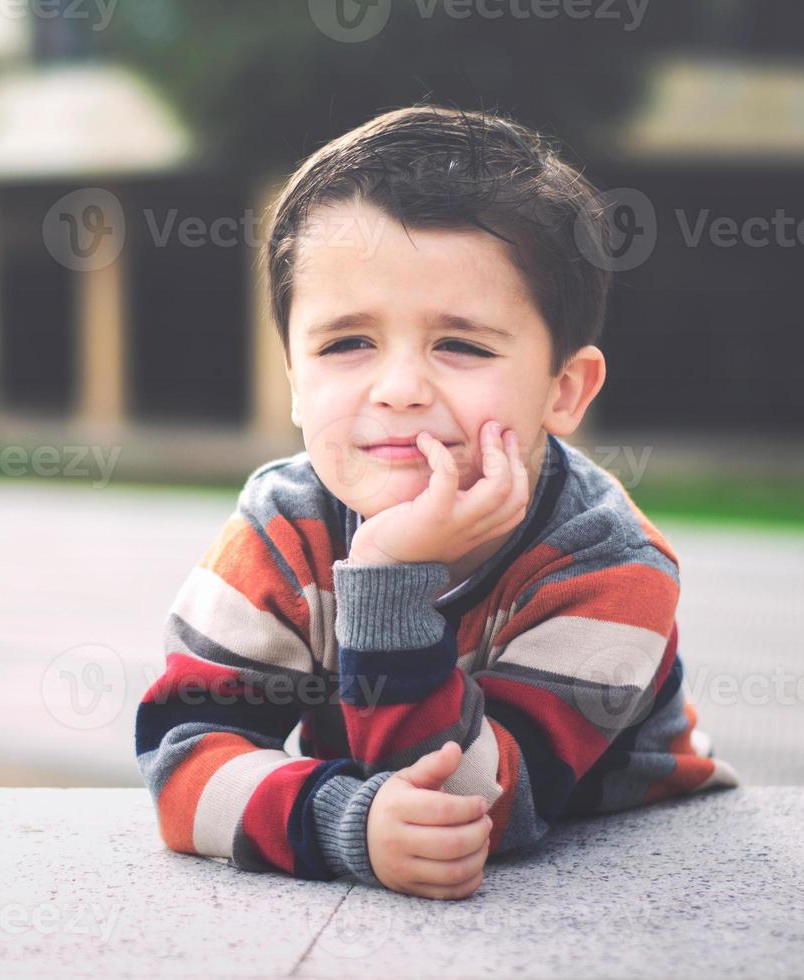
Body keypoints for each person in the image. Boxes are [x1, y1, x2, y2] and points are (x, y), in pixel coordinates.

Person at [133, 105, 739, 901]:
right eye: (347, 343)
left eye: (462, 345)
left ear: (564, 391)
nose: (400, 390)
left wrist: (391, 574)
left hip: (640, 859)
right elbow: (185, 759)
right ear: (291, 382)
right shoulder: (283, 526)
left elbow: (482, 813)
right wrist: (348, 820)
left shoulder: (608, 565)